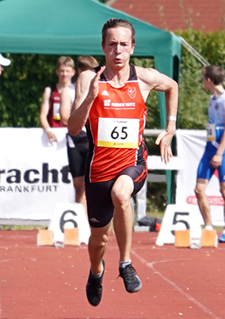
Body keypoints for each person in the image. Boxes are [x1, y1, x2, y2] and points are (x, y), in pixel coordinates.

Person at [68, 18, 178, 306]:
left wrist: (171, 127)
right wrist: (91, 97)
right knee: (98, 241)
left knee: (121, 194)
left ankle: (126, 263)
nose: (118, 51)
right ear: (103, 46)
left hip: (133, 161)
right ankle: (96, 272)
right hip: (98, 169)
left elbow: (173, 86)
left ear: (132, 48)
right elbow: (73, 128)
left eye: (124, 45)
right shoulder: (87, 79)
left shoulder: (144, 78)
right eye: (112, 44)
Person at [60, 56, 99, 211]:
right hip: (76, 139)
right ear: (81, 72)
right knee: (78, 185)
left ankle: (97, 220)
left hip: (95, 138)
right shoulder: (68, 91)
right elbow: (64, 118)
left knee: (96, 183)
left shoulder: (101, 89)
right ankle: (81, 220)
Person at [195, 65, 225, 242]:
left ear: (208, 80)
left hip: (221, 150)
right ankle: (208, 227)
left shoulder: (224, 99)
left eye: (202, 78)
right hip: (210, 148)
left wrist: (219, 153)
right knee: (199, 190)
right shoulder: (213, 99)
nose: (201, 81)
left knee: (224, 190)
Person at [39, 56, 75, 143]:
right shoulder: (49, 90)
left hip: (72, 134)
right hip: (53, 133)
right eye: (62, 71)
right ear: (57, 71)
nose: (64, 74)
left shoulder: (76, 91)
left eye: (67, 71)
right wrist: (48, 130)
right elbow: (42, 115)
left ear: (73, 72)